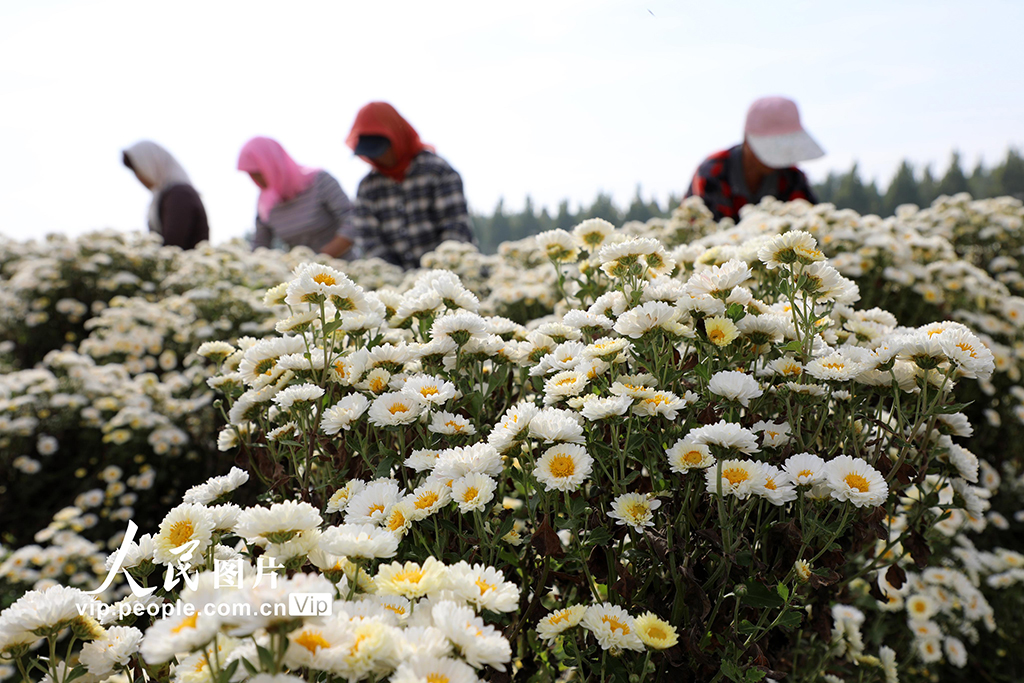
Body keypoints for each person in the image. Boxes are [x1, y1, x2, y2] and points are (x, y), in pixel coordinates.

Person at [346, 102, 476, 270]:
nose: (378, 158)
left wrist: (434, 272)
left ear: (397, 138)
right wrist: (395, 276)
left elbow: (455, 228)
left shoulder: (436, 171)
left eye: (381, 150)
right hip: (398, 284)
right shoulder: (368, 188)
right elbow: (370, 241)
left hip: (453, 274)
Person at [686, 96, 825, 222]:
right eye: (773, 147)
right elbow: (710, 231)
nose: (781, 156)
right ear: (747, 140)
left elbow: (812, 222)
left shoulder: (792, 176)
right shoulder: (714, 171)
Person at [237, 137, 356, 258]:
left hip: (340, 270)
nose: (255, 180)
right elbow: (260, 246)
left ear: (271, 164)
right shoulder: (265, 203)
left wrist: (321, 259)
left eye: (257, 173)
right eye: (250, 175)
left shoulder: (320, 182)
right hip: (299, 272)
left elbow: (353, 220)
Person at [122, 141, 209, 250]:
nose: (138, 177)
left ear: (150, 164)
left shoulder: (179, 195)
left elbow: (172, 247)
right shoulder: (166, 194)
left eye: (138, 170)